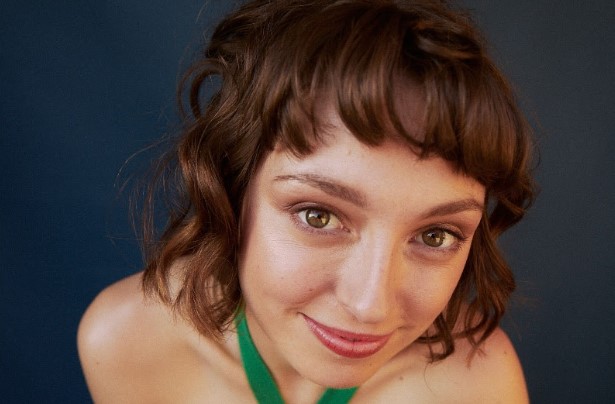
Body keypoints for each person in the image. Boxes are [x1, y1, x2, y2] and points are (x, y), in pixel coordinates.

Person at [78, 0, 535, 402]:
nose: (370, 306)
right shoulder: (128, 343)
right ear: (230, 189)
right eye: (318, 216)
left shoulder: (476, 385)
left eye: (436, 235)